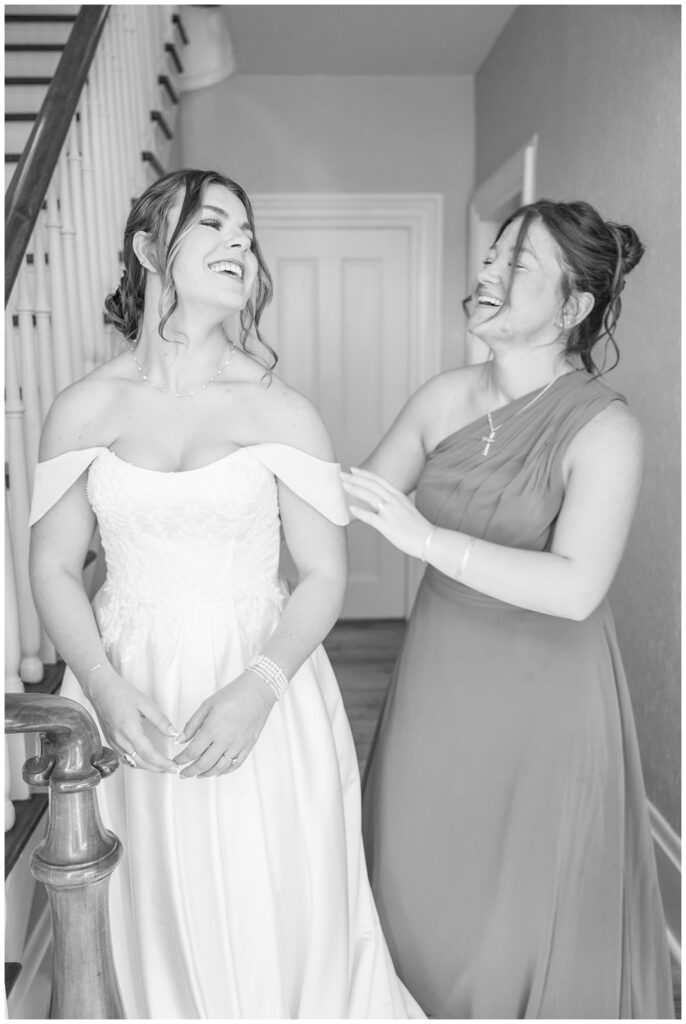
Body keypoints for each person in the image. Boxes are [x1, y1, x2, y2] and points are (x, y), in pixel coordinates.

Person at [28, 169, 423, 1019]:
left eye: (246, 230)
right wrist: (98, 684)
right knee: (148, 901)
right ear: (146, 249)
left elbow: (323, 574)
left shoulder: (282, 410)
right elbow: (56, 566)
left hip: (259, 678)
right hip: (126, 681)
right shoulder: (81, 409)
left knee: (266, 900)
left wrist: (260, 689)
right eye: (212, 224)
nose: (240, 241)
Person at [342, 199, 675, 1019]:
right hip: (439, 676)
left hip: (548, 694)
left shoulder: (604, 429)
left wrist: (423, 542)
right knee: (418, 875)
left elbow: (575, 586)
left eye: (515, 264)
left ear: (573, 308)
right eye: (491, 255)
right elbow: (353, 498)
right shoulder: (442, 397)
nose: (486, 272)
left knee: (522, 905)